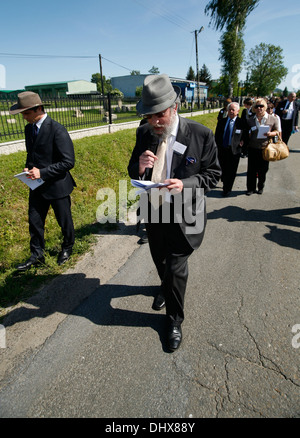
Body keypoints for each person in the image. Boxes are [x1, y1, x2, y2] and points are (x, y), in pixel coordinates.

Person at [128, 74, 221, 351]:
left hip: (185, 217)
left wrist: (186, 184)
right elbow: (133, 167)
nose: (154, 121)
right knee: (160, 260)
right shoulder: (144, 132)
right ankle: (164, 287)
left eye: (160, 115)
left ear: (175, 106)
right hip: (154, 211)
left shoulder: (201, 134)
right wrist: (141, 166)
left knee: (176, 267)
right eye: (148, 116)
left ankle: (174, 320)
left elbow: (213, 175)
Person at [9, 91, 76, 270]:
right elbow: (32, 154)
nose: (23, 117)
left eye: (26, 113)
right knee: (35, 221)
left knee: (64, 220)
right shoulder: (29, 128)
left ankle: (67, 247)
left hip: (57, 185)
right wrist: (28, 167)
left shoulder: (57, 129)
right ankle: (37, 255)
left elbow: (68, 162)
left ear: (38, 108)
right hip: (36, 186)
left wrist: (43, 172)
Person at [245, 98, 280, 195]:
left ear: (265, 107)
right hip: (252, 147)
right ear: (254, 108)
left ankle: (260, 186)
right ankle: (250, 188)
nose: (259, 108)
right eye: (257, 106)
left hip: (265, 148)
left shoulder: (272, 118)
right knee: (251, 170)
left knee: (263, 170)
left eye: (261, 106)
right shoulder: (250, 120)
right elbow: (246, 132)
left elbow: (277, 131)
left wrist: (270, 134)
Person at [215, 102, 247, 196]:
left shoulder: (241, 123)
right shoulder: (222, 121)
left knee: (232, 170)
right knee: (223, 169)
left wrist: (243, 142)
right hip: (223, 149)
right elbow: (217, 135)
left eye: (233, 110)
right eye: (230, 109)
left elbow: (245, 135)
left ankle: (227, 188)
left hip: (235, 150)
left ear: (238, 111)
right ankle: (225, 181)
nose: (231, 111)